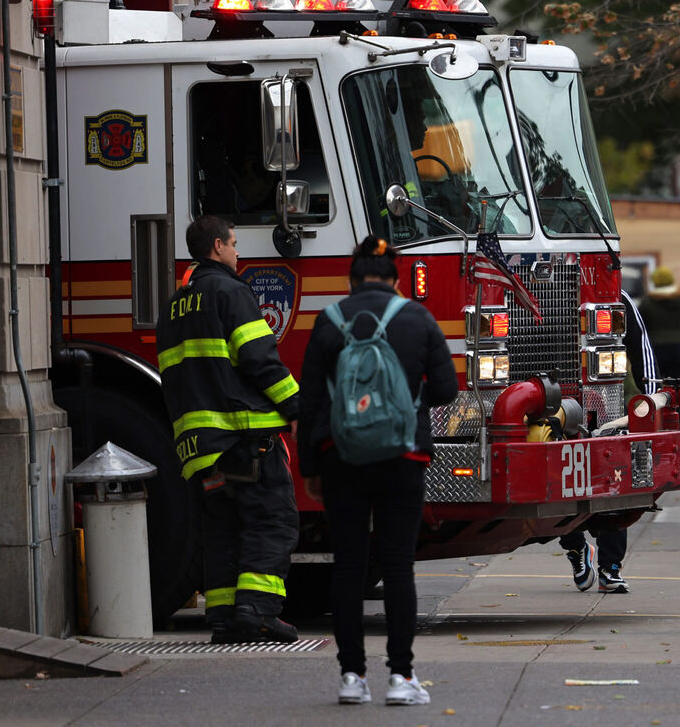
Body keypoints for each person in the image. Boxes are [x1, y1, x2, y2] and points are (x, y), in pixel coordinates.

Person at [297, 236, 457, 706]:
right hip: (402, 458)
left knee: (348, 564)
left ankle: (351, 678)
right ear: (395, 276)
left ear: (351, 276)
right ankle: (402, 678)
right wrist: (401, 407)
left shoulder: (327, 323)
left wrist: (311, 466)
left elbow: (310, 402)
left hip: (340, 456)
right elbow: (446, 390)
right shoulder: (418, 318)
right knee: (397, 564)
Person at [156, 215, 301, 644]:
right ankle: (256, 613)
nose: (239, 252)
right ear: (217, 247)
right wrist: (297, 407)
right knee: (271, 521)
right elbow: (259, 359)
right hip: (243, 438)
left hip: (201, 449)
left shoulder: (174, 306)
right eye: (235, 244)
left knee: (222, 529)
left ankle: (223, 618)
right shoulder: (231, 293)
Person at [559, 289, 656, 595]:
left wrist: (652, 399)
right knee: (556, 492)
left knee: (614, 490)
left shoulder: (614, 295)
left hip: (606, 412)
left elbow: (640, 346)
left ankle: (610, 568)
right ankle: (576, 549)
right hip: (553, 410)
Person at [636, 266, 680, 378]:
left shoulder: (647, 302)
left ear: (655, 281)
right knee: (677, 383)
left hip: (656, 347)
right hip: (678, 347)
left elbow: (640, 326)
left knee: (659, 382)